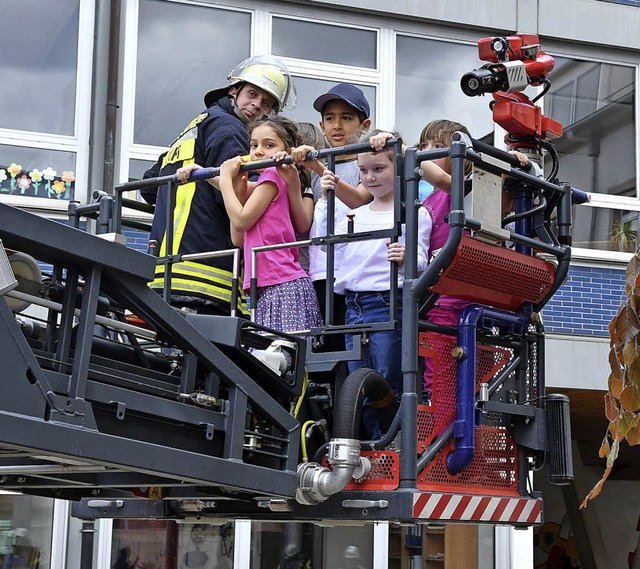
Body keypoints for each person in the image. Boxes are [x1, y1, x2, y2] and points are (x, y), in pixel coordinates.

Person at [140, 55, 296, 316]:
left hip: (166, 263)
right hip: (209, 270)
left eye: (266, 102)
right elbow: (239, 192)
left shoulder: (196, 125)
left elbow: (148, 188)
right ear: (234, 90)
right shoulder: (229, 129)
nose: (257, 105)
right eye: (252, 93)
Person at [323, 130, 431, 438]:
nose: (370, 177)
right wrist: (326, 195)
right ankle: (372, 446)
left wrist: (406, 257)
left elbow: (422, 261)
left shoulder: (414, 213)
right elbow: (328, 247)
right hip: (354, 304)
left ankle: (390, 447)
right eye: (363, 170)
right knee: (359, 382)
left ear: (398, 169)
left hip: (388, 302)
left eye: (379, 169)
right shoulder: (355, 213)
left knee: (387, 379)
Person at [418, 119, 529, 402]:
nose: (428, 152)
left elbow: (504, 201)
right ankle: (441, 419)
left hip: (476, 297)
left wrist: (512, 165)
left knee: (476, 375)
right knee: (439, 367)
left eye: (438, 147)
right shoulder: (429, 199)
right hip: (442, 299)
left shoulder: (468, 188)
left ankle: (468, 423)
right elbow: (425, 168)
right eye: (424, 146)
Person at [177, 116, 322, 334]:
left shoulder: (273, 176)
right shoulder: (271, 179)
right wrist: (204, 173)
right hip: (269, 286)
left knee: (279, 358)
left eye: (269, 145)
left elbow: (241, 219)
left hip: (281, 285)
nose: (259, 151)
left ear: (287, 150)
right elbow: (238, 235)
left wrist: (226, 179)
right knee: (272, 359)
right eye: (254, 145)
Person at [291, 84, 372, 349]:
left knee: (349, 343)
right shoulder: (317, 170)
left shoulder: (369, 162)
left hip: (355, 270)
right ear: (321, 125)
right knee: (324, 343)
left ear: (365, 125)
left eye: (346, 118)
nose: (337, 125)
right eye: (330, 118)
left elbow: (360, 199)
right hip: (321, 268)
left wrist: (316, 165)